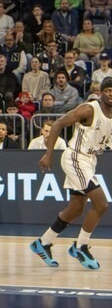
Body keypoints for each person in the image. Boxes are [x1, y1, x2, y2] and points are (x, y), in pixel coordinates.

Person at [31, 77, 112, 270]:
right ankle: (80, 246)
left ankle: (43, 243)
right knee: (101, 204)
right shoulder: (89, 109)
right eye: (107, 90)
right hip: (75, 157)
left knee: (76, 208)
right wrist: (49, 154)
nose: (110, 94)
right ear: (100, 92)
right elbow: (58, 124)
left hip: (89, 161)